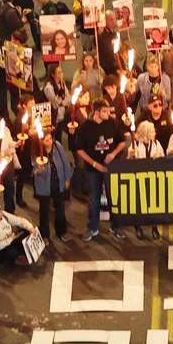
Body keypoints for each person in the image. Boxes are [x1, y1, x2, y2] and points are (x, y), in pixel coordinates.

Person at [74, 99, 126, 241]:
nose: (108, 113)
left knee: (114, 198)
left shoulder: (113, 123)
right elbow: (80, 150)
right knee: (93, 199)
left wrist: (113, 154)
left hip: (111, 167)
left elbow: (122, 142)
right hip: (92, 170)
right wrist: (95, 164)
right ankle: (93, 227)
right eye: (104, 111)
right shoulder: (85, 127)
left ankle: (115, 225)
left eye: (108, 110)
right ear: (96, 112)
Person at [32, 130, 73, 243]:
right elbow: (34, 171)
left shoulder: (57, 146)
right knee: (44, 211)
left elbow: (65, 162)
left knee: (60, 208)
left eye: (50, 139)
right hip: (44, 186)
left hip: (57, 183)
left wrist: (67, 178)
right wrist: (39, 171)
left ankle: (61, 231)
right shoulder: (36, 153)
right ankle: (45, 235)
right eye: (46, 140)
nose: (50, 141)